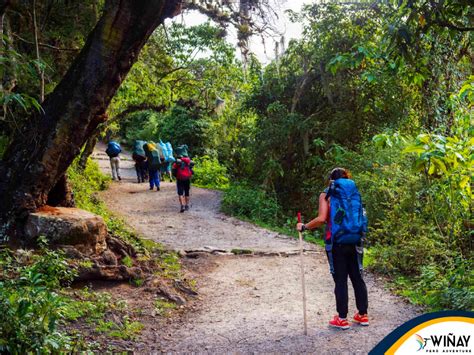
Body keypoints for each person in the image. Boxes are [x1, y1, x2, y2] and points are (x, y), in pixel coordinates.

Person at [296, 167, 368, 330]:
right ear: (346, 177)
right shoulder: (354, 192)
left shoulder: (328, 193)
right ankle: (363, 315)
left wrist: (304, 227)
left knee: (341, 279)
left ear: (331, 180)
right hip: (356, 239)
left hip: (336, 241)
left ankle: (342, 318)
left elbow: (322, 219)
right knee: (357, 277)